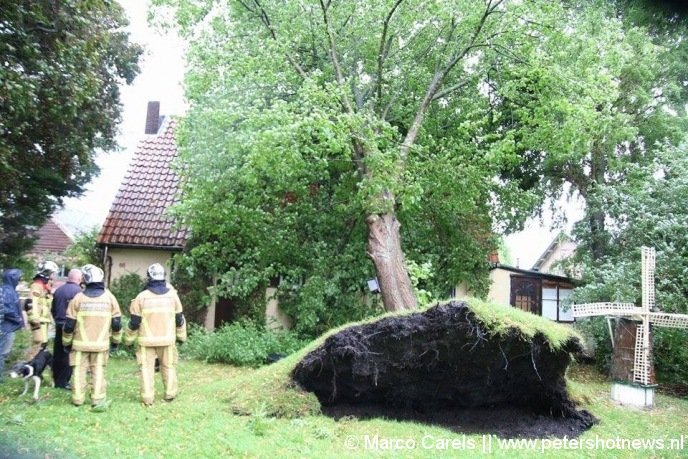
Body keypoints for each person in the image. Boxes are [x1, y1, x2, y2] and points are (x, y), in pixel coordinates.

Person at [124, 263, 187, 406]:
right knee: (169, 366)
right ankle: (170, 394)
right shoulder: (173, 296)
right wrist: (182, 337)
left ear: (149, 277)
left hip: (147, 342)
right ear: (163, 276)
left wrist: (128, 340)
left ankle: (148, 398)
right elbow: (179, 319)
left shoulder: (141, 297)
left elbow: (134, 322)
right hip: (167, 340)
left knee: (146, 369)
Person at [63, 264, 122, 409]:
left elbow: (69, 325)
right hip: (101, 344)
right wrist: (115, 341)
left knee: (78, 371)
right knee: (98, 370)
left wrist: (66, 343)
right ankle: (97, 399)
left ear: (85, 280)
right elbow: (117, 323)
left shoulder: (77, 299)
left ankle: (77, 399)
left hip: (79, 344)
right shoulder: (110, 298)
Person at [51, 268, 82, 389]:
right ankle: (64, 381)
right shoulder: (79, 292)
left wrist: (57, 320)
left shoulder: (58, 290)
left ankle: (56, 379)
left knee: (58, 353)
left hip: (59, 325)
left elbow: (53, 309)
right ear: (79, 279)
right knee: (68, 354)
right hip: (71, 327)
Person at [27, 260, 58, 358]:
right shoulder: (37, 286)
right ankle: (28, 366)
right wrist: (34, 320)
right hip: (38, 320)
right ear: (47, 273)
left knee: (43, 343)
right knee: (38, 343)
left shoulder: (44, 287)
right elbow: (31, 303)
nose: (54, 276)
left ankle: (37, 367)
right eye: (53, 273)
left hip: (43, 320)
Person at [0, 269, 24, 383]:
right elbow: (6, 309)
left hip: (9, 327)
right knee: (2, 353)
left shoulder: (9, 290)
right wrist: (17, 318)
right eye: (18, 278)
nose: (19, 280)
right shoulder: (7, 291)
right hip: (6, 327)